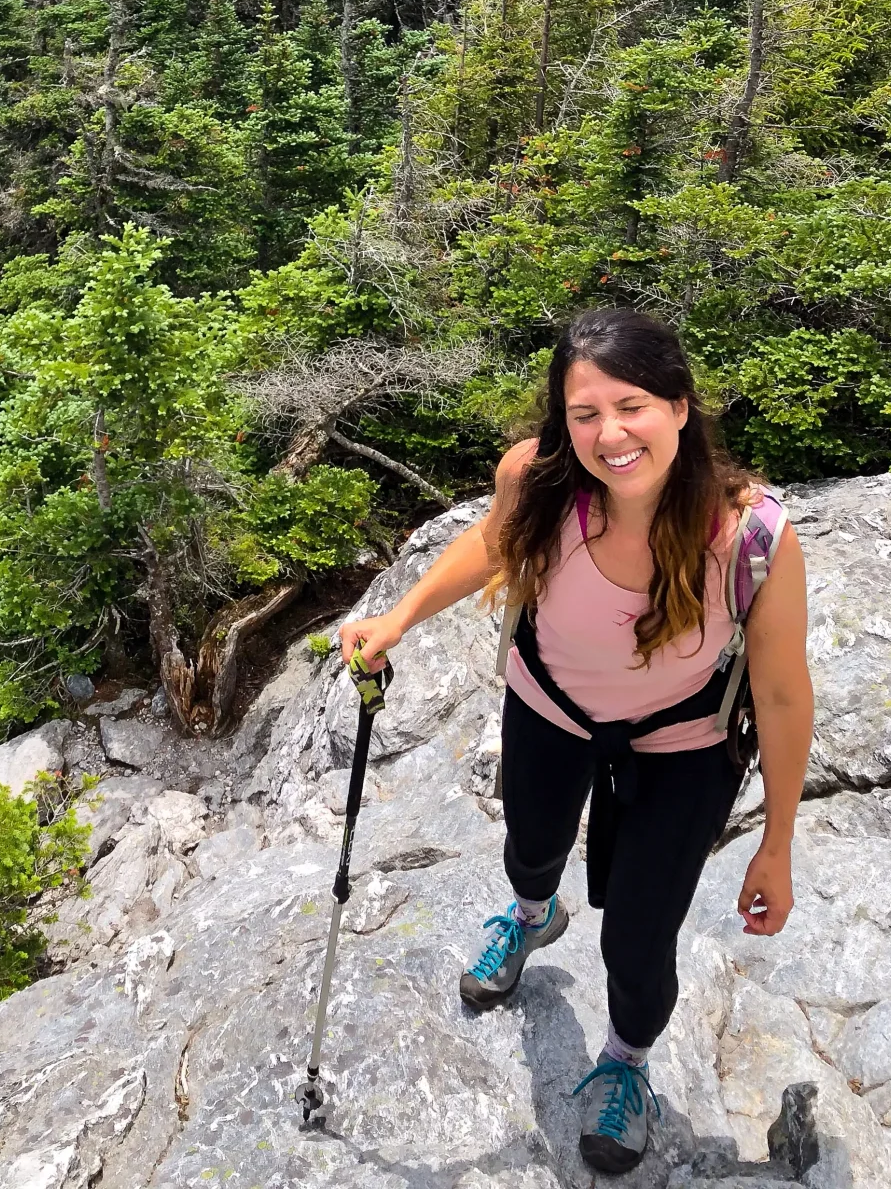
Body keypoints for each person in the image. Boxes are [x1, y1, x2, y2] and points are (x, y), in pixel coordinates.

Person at [340, 308, 813, 1175]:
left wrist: (777, 844)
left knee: (639, 938)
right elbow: (494, 542)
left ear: (678, 405)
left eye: (630, 405)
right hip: (549, 711)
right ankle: (532, 915)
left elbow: (782, 695)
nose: (609, 433)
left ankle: (627, 1066)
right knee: (531, 848)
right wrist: (398, 617)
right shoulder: (539, 477)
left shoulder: (749, 535)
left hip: (681, 747)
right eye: (584, 413)